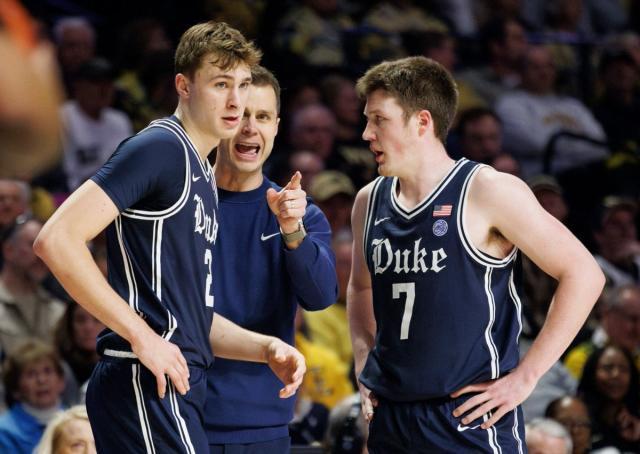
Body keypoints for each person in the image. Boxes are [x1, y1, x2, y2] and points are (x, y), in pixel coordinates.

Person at [33, 21, 305, 453]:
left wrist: (266, 347)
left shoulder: (202, 173)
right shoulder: (161, 148)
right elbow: (56, 239)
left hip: (173, 379)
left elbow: (190, 313)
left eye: (242, 84)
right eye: (220, 84)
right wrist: (142, 337)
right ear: (184, 86)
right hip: (143, 377)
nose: (236, 101)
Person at [347, 56, 605, 452]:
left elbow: (584, 274)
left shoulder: (487, 190)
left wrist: (527, 376)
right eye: (367, 120)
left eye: (379, 120)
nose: (367, 133)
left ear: (422, 122)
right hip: (392, 414)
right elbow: (360, 287)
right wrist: (363, 358)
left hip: (467, 418)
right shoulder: (368, 201)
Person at [204, 65, 336, 452]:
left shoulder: (302, 215)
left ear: (276, 127)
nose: (250, 128)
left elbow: (320, 297)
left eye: (262, 116)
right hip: (182, 414)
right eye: (240, 114)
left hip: (262, 424)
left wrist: (292, 230)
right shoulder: (181, 204)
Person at [0, 339, 66, 453]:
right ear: (16, 388)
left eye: (47, 371)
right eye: (31, 374)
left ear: (61, 381)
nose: (42, 380)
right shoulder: (5, 431)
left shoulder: (78, 420)